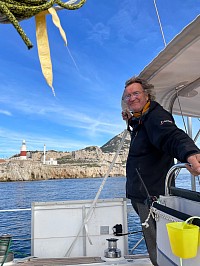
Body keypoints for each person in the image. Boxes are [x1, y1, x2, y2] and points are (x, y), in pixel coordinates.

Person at [121, 76, 200, 266]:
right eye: (127, 96)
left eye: (136, 93)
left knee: (157, 247)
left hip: (151, 196)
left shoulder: (157, 116)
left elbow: (170, 136)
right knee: (155, 244)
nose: (131, 98)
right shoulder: (143, 119)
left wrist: (189, 153)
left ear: (147, 95)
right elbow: (149, 135)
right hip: (142, 194)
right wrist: (132, 121)